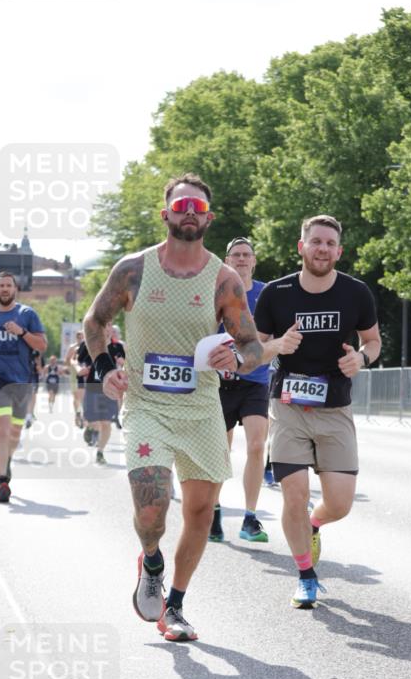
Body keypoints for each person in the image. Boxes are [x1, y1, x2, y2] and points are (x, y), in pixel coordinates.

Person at [83, 173, 298, 642]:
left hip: (202, 407)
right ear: (165, 214)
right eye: (181, 206)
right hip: (146, 405)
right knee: (150, 507)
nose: (188, 214)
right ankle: (152, 562)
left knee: (201, 512)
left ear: (209, 218)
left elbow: (252, 347)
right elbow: (95, 321)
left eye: (197, 208)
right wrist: (105, 368)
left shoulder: (223, 279)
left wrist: (236, 357)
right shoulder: (133, 270)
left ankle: (175, 607)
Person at [254, 214, 381, 609]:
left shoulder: (356, 293)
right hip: (288, 405)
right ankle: (305, 575)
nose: (322, 249)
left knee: (340, 503)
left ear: (338, 251)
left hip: (334, 406)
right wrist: (278, 346)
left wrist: (361, 359)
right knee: (293, 495)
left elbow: (373, 341)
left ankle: (314, 525)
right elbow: (255, 349)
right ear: (301, 246)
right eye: (316, 242)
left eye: (330, 244)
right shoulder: (277, 293)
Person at [209, 237, 272, 544]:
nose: (242, 259)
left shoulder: (266, 293)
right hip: (221, 382)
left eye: (247, 254)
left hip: (256, 380)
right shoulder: (216, 292)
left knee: (258, 445)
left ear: (254, 260)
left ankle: (250, 517)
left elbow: (275, 335)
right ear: (227, 260)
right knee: (221, 450)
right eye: (236, 255)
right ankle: (215, 510)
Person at [0, 272, 47, 502]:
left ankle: (8, 459)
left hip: (21, 381)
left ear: (15, 290)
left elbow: (42, 345)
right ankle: (2, 481)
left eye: (8, 285)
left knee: (15, 433)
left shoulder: (27, 314)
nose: (4, 289)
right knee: (1, 430)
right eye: (0, 285)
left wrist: (22, 332)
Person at [77, 325, 125, 464]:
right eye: (104, 326)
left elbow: (125, 365)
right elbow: (77, 360)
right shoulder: (90, 345)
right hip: (92, 388)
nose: (108, 329)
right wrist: (80, 368)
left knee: (106, 423)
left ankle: (100, 452)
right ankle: (89, 427)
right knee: (93, 421)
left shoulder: (118, 347)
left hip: (109, 391)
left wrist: (123, 365)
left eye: (110, 326)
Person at [65, 330, 86, 428]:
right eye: (78, 336)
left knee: (83, 396)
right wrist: (73, 359)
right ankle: (77, 413)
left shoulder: (87, 346)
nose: (80, 337)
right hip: (74, 373)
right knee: (76, 396)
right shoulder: (72, 347)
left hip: (84, 373)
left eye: (81, 336)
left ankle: (82, 413)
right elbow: (67, 360)